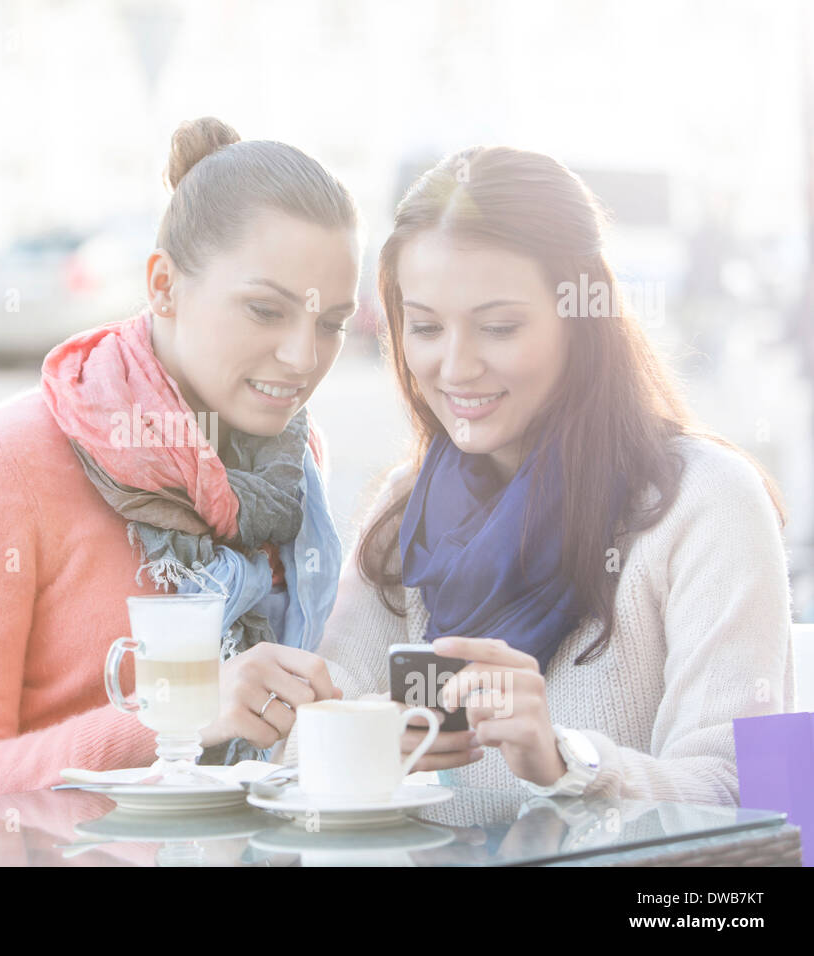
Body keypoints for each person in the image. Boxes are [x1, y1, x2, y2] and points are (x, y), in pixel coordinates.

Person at [286, 146, 794, 806]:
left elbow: (757, 795)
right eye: (427, 327)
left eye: (499, 326)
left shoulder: (707, 502)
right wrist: (329, 733)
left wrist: (566, 760)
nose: (456, 366)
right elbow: (310, 748)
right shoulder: (403, 510)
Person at [0, 118, 362, 805]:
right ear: (164, 285)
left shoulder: (294, 463)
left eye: (331, 324)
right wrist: (174, 717)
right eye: (266, 310)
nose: (302, 358)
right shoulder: (8, 460)